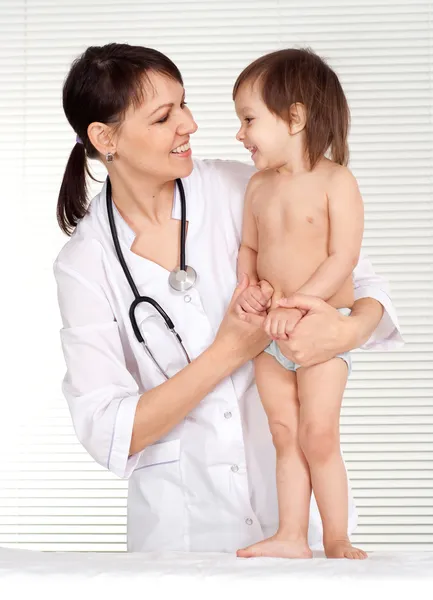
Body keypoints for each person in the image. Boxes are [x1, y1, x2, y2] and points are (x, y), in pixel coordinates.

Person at [54, 42, 403, 553]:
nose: (190, 124)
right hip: (183, 535)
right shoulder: (85, 263)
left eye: (185, 104)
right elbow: (110, 430)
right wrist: (230, 351)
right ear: (106, 138)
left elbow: (364, 283)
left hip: (300, 521)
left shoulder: (249, 184)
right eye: (163, 116)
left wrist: (348, 330)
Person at [233, 48, 375, 560]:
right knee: (283, 432)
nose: (240, 134)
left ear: (294, 116)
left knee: (318, 435)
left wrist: (299, 302)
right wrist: (248, 286)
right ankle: (292, 535)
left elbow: (344, 258)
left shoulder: (338, 181)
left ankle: (335, 537)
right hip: (271, 336)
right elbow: (248, 250)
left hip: (320, 328)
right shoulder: (256, 187)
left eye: (249, 119)